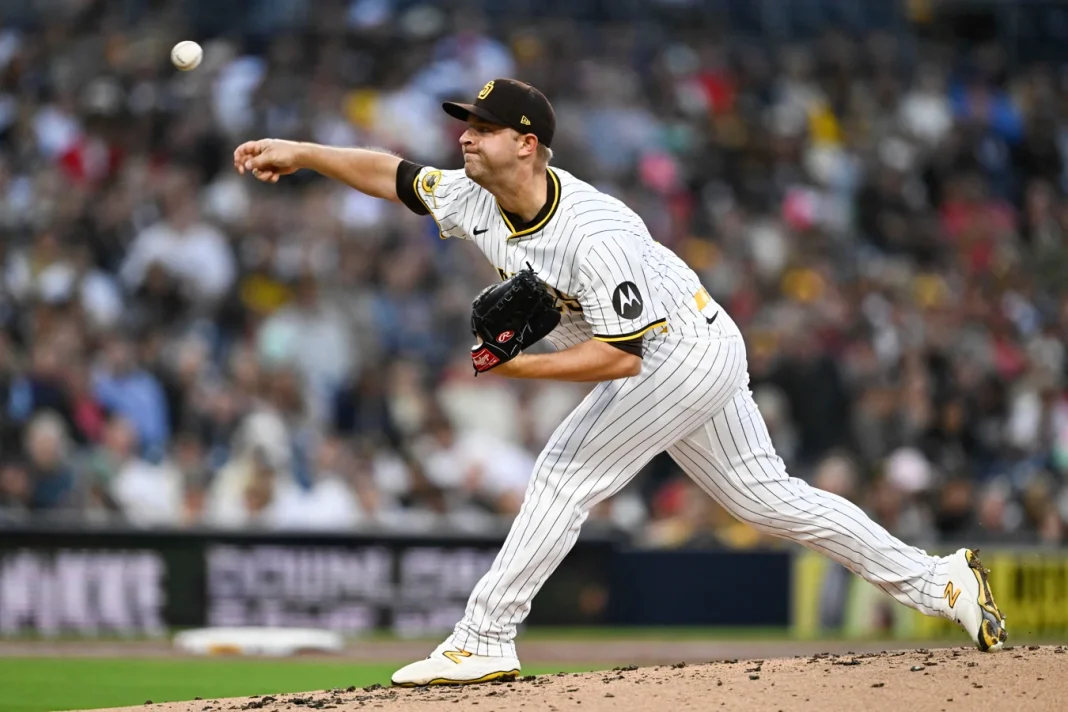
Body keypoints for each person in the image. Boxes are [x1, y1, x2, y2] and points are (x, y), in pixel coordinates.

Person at [232, 78, 1007, 687]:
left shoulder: (593, 233)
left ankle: (483, 637)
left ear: (528, 145)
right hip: (698, 335)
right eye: (463, 122)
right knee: (769, 499)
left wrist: (522, 368)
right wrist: (302, 151)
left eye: (481, 126)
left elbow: (624, 357)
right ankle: (940, 582)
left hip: (677, 352)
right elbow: (394, 175)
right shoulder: (476, 195)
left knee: (565, 471)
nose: (463, 134)